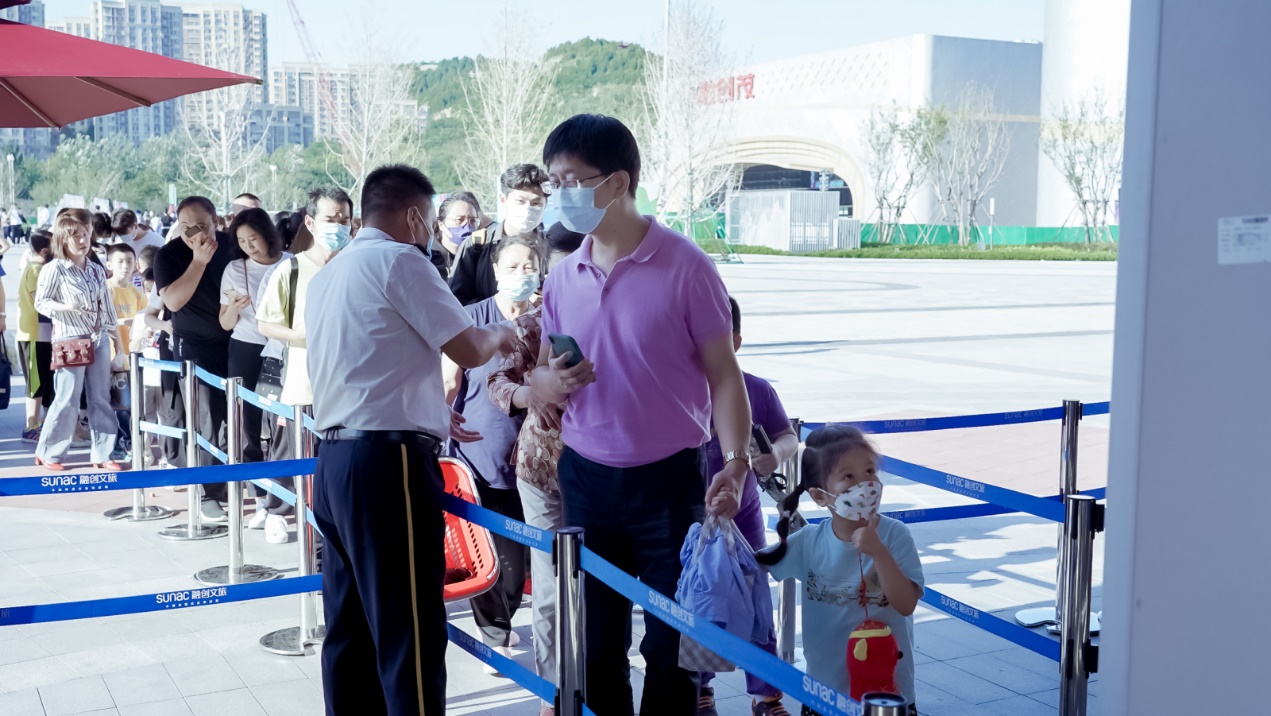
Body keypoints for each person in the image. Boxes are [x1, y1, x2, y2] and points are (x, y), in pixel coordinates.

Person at [530, 114, 754, 716]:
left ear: (618, 182)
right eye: (554, 182)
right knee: (597, 642)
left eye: (571, 180)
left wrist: (735, 463)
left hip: (669, 480)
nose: (559, 195)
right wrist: (551, 381)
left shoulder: (687, 266)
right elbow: (543, 373)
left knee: (672, 643)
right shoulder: (563, 275)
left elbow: (724, 373)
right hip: (585, 476)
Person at [306, 163, 515, 715]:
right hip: (386, 463)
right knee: (410, 629)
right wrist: (504, 329)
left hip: (335, 459)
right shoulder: (401, 259)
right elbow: (467, 348)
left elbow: (368, 360)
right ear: (415, 217)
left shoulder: (329, 273)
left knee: (349, 627)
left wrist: (429, 411)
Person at [486, 221, 584, 716]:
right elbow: (497, 381)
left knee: (592, 583)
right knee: (549, 585)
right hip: (542, 469)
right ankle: (553, 693)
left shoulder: (615, 318)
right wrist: (532, 393)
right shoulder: (532, 325)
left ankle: (584, 680)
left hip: (603, 470)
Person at [759, 426, 925, 716]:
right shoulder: (808, 542)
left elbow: (906, 604)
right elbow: (753, 567)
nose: (866, 484)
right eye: (849, 477)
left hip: (886, 697)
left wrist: (878, 552)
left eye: (870, 471)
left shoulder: (895, 536)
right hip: (823, 694)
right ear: (819, 496)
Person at [698, 296, 802, 716]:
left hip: (745, 518)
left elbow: (787, 435)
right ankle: (700, 686)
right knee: (698, 599)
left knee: (757, 602)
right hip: (691, 520)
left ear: (736, 342)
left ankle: (766, 693)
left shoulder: (757, 389)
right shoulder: (675, 391)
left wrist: (776, 455)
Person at [442, 233, 542, 671]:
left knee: (518, 558)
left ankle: (507, 616)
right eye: (512, 266)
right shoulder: (471, 319)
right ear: (496, 271)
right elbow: (450, 380)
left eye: (530, 266)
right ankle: (494, 633)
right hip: (478, 450)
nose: (522, 274)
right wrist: (440, 419)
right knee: (488, 550)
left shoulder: (548, 319)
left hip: (535, 455)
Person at [154, 195, 234, 520]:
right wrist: (198, 261)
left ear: (216, 222)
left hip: (237, 342)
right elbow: (172, 301)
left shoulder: (233, 245)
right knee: (206, 422)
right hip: (195, 347)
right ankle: (207, 493)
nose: (193, 232)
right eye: (185, 226)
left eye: (201, 225)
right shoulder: (168, 254)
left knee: (238, 421)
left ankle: (237, 481)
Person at [257, 188, 351, 465]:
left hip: (350, 391)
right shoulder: (291, 269)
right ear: (310, 223)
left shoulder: (356, 267)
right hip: (304, 388)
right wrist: (299, 334)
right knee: (302, 466)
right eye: (330, 219)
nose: (338, 226)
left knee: (341, 468)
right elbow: (265, 324)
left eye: (344, 220)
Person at [32, 214, 126, 471]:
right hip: (70, 338)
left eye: (85, 234)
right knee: (67, 398)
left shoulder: (96, 269)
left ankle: (103, 453)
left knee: (101, 397)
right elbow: (41, 302)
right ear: (63, 240)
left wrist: (116, 340)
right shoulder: (54, 268)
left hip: (99, 338)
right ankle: (49, 452)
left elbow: (107, 307)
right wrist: (67, 307)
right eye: (76, 236)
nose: (83, 240)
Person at [220, 208, 292, 543]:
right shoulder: (235, 269)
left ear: (268, 234)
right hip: (246, 348)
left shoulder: (291, 263)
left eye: (254, 238)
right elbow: (225, 323)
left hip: (281, 350)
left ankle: (278, 500)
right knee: (247, 425)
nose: (249, 246)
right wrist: (234, 308)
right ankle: (261, 498)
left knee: (280, 426)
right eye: (242, 241)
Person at [448, 164, 549, 305]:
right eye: (520, 201)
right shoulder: (477, 245)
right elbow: (457, 301)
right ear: (503, 200)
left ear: (545, 204)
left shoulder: (553, 247)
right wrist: (511, 304)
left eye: (536, 203)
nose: (528, 209)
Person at [106, 244, 147, 460]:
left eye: (130, 261)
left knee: (129, 404)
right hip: (110, 357)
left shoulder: (137, 292)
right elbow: (103, 321)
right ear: (109, 264)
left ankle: (128, 444)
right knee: (115, 405)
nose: (125, 266)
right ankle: (116, 445)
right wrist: (122, 322)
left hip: (133, 357)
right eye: (120, 261)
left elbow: (146, 319)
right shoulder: (105, 289)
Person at [17, 231, 55, 443]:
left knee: (43, 381)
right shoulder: (36, 270)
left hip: (41, 334)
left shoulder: (37, 268)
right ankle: (31, 427)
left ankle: (40, 425)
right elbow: (40, 301)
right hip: (34, 334)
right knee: (35, 382)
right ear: (45, 250)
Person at [435, 191, 483, 276]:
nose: (467, 227)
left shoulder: (481, 258)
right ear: (441, 225)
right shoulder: (431, 260)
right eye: (460, 220)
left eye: (473, 220)